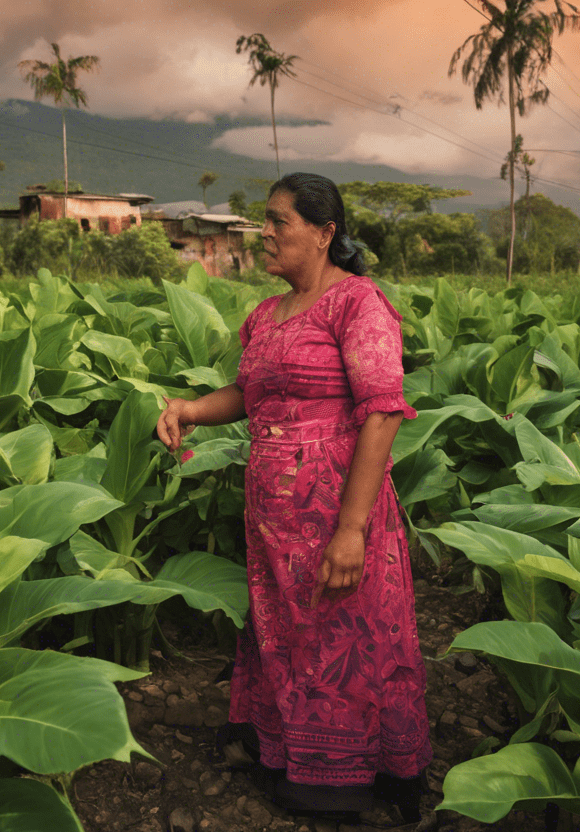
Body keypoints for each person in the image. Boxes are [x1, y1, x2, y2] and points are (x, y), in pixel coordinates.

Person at [156, 172, 432, 822]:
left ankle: (355, 780)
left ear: (324, 231)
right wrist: (192, 407)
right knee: (286, 636)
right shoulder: (265, 315)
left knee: (348, 637)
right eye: (266, 220)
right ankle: (285, 754)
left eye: (280, 221)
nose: (266, 233)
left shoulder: (357, 303)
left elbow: (383, 413)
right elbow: (249, 396)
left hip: (338, 509)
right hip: (276, 523)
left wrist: (352, 528)